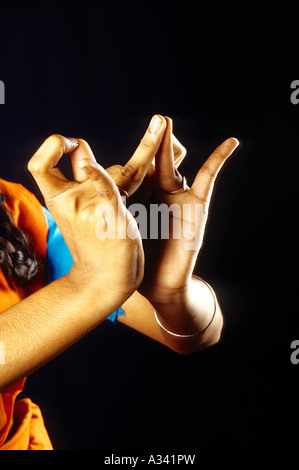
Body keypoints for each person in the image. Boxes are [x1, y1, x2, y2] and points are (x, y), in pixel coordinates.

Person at [0, 115, 239, 450]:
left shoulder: (13, 210)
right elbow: (95, 281)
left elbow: (194, 336)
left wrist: (169, 292)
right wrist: (90, 284)